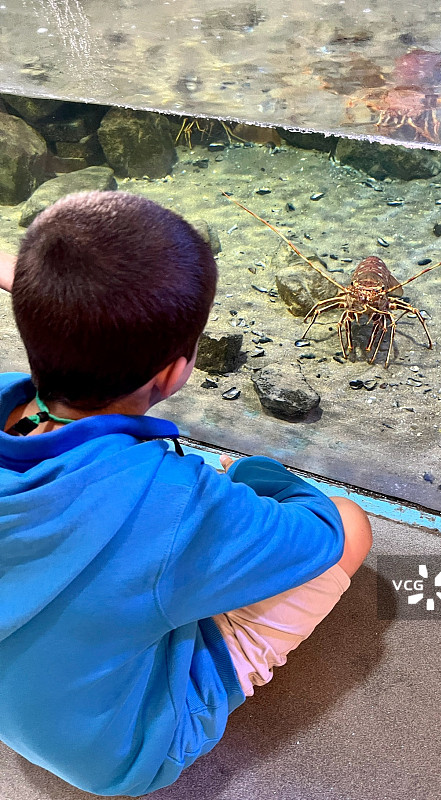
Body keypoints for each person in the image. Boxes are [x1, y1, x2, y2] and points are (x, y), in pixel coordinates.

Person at [0, 191, 372, 796]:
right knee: (351, 524)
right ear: (174, 373)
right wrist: (251, 471)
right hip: (118, 757)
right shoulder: (175, 502)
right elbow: (320, 536)